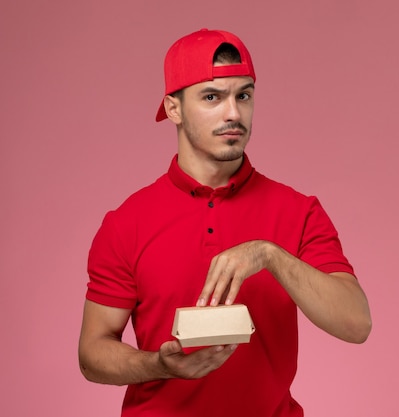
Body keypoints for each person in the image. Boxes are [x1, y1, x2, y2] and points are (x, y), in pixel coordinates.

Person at [78, 29, 372, 417]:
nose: (233, 113)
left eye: (244, 95)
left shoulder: (299, 211)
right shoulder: (126, 223)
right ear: (173, 109)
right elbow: (92, 352)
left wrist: (268, 255)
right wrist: (158, 365)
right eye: (212, 97)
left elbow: (356, 324)